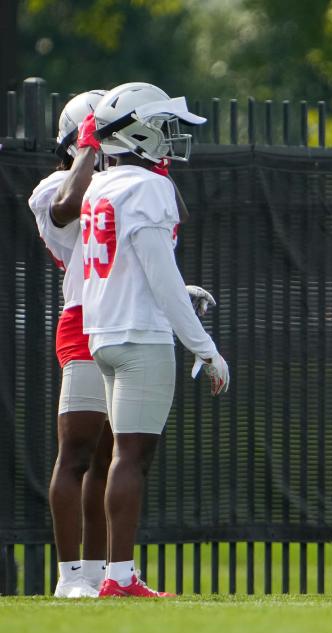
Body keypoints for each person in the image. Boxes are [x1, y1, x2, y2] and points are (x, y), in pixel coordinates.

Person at [80, 82, 230, 597]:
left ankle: (114, 572)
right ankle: (119, 577)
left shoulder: (101, 184)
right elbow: (160, 279)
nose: (171, 135)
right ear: (137, 130)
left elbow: (128, 266)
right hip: (141, 336)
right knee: (130, 457)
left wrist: (175, 292)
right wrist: (205, 347)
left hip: (103, 332)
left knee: (123, 455)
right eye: (163, 125)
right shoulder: (148, 187)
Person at [29, 90, 111, 598]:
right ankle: (69, 575)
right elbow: (66, 211)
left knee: (111, 458)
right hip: (84, 320)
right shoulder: (56, 185)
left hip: (128, 319)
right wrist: (87, 148)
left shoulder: (123, 182)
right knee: (76, 453)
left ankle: (104, 571)